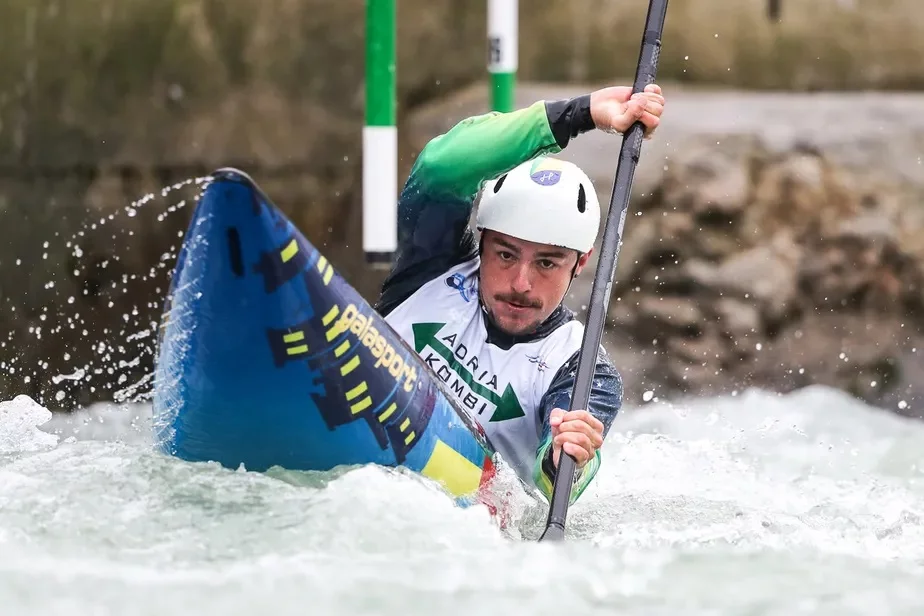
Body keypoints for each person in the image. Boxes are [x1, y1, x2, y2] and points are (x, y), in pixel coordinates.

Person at [375, 84, 666, 504]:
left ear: (580, 264)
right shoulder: (428, 267)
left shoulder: (583, 369)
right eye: (506, 254)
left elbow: (554, 480)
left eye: (547, 263)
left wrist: (571, 456)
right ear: (483, 238)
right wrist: (578, 114)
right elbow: (441, 165)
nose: (521, 283)